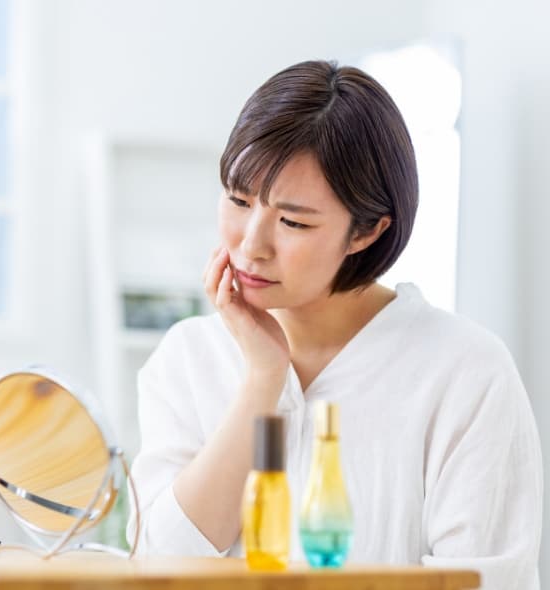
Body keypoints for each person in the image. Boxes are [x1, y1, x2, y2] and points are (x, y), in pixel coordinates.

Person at [125, 60, 542, 589]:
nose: (252, 244)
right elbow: (160, 565)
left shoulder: (465, 371)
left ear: (367, 232)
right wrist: (262, 381)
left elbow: (487, 581)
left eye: (293, 221)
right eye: (238, 200)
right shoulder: (188, 357)